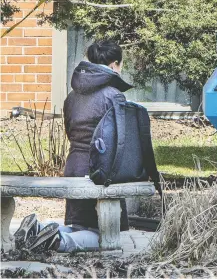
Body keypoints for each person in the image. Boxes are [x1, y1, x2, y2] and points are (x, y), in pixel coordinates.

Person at [14, 41, 133, 253]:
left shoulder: (71, 97)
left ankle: (38, 228)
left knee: (79, 226)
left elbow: (71, 132)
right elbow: (120, 140)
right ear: (115, 64)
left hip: (74, 165)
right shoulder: (114, 95)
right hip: (99, 169)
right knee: (104, 235)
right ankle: (57, 241)